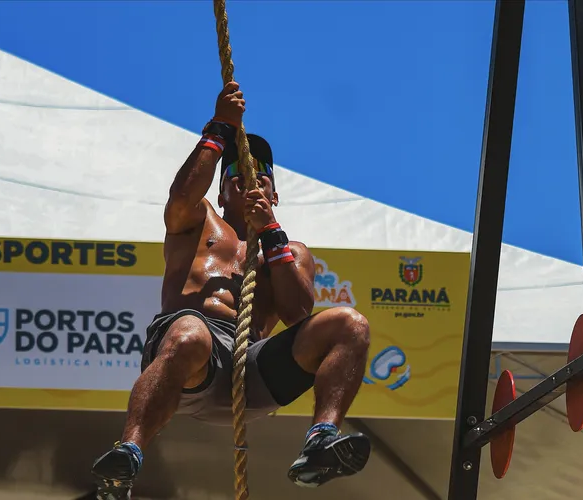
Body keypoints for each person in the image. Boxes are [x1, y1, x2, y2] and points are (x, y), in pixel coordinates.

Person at [90, 82, 373, 499]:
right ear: (221, 192)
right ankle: (128, 453)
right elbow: (181, 195)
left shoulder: (289, 250)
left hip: (252, 370)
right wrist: (220, 128)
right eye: (237, 177)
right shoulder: (198, 221)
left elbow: (297, 314)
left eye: (259, 178)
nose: (248, 182)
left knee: (351, 323)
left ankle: (320, 440)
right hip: (189, 357)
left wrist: (272, 235)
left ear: (274, 193)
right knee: (190, 333)